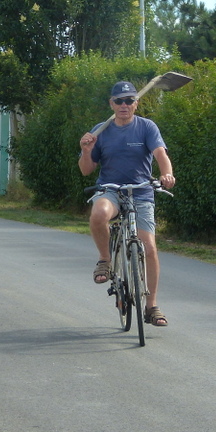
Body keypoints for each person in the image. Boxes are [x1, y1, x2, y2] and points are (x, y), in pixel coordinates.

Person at [78, 81, 176, 327]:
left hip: (141, 192)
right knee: (99, 214)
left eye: (129, 100)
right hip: (111, 190)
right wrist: (86, 150)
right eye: (119, 101)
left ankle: (151, 306)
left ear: (136, 103)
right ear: (111, 104)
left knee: (150, 249)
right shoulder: (101, 130)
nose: (124, 105)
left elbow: (161, 155)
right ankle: (105, 260)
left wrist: (167, 175)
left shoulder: (146, 127)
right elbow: (86, 170)